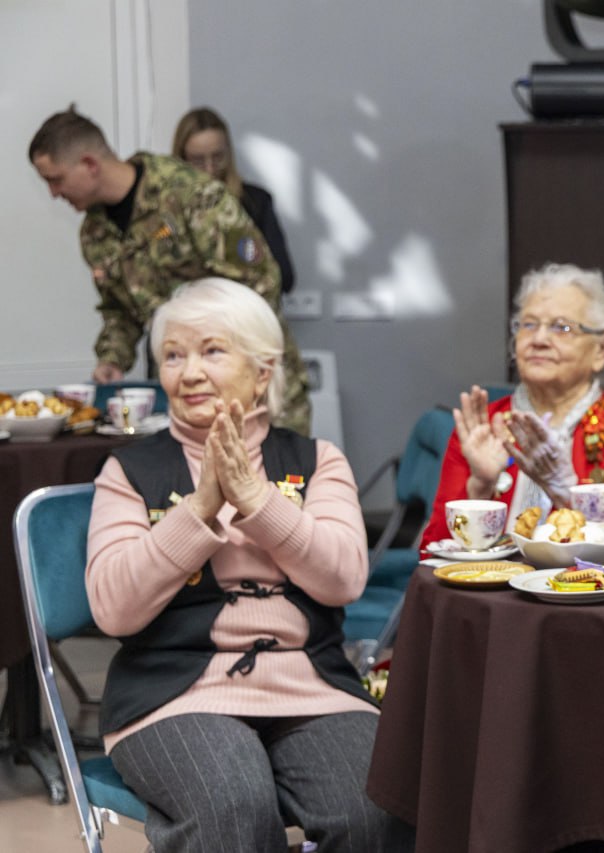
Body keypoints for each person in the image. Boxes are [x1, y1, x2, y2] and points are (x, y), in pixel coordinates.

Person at [86, 279, 410, 852]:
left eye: (212, 351)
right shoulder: (129, 471)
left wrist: (257, 502)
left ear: (263, 371)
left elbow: (343, 579)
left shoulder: (317, 461)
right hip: (172, 693)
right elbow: (113, 609)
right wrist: (201, 508)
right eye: (173, 355)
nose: (187, 374)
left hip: (312, 686)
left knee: (374, 807)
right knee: (230, 806)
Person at [28, 107, 311, 434]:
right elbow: (120, 310)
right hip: (188, 396)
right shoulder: (95, 234)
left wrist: (218, 355)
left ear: (90, 164)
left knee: (286, 483)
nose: (53, 193)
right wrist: (112, 359)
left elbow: (259, 283)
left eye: (55, 179)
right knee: (195, 485)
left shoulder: (188, 194)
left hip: (256, 390)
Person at [421, 262, 604, 544]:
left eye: (561, 327)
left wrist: (564, 490)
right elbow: (433, 551)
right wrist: (480, 487)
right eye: (528, 324)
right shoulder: (482, 427)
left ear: (602, 349)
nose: (538, 339)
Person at [173, 107, 296, 294]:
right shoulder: (166, 208)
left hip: (243, 315)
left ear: (228, 153)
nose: (209, 169)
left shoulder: (255, 203)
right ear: (181, 159)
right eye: (198, 160)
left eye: (218, 157)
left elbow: (285, 277)